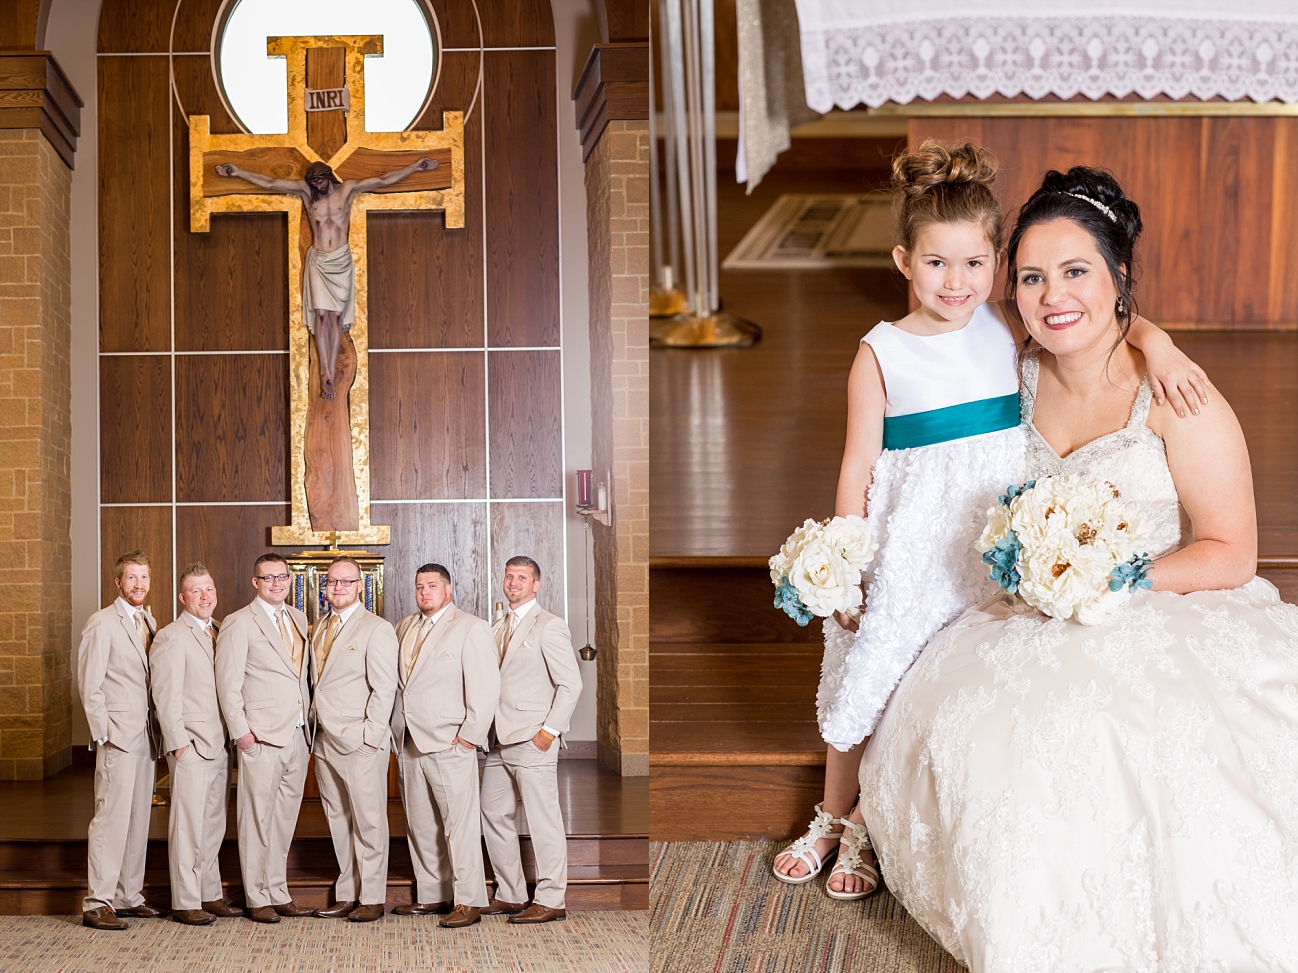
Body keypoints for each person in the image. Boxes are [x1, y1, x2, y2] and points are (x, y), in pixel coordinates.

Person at [859, 167, 1298, 968]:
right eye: (1030, 276)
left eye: (1075, 271)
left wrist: (1116, 581)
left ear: (1119, 277)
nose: (1052, 295)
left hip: (1161, 605)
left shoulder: (1177, 395)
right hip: (1016, 612)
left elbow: (1232, 550)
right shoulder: (1001, 372)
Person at [774, 142, 1210, 898]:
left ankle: (871, 829)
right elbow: (856, 464)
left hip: (983, 538)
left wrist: (1161, 342)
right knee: (867, 666)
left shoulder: (1006, 327)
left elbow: (1109, 321)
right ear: (904, 260)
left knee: (939, 680)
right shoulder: (880, 353)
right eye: (938, 264)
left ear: (994, 263)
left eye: (976, 264)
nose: (958, 282)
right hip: (909, 539)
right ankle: (832, 813)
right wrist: (847, 559)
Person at [213, 157, 437, 398]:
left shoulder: (348, 189)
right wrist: (237, 172)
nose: (317, 185)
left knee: (337, 317)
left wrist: (415, 166)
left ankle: (330, 364)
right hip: (319, 260)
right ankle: (325, 372)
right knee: (321, 315)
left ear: (329, 176)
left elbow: (383, 180)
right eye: (313, 181)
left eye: (320, 180)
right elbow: (270, 183)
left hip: (340, 260)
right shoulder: (307, 193)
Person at [390, 563, 500, 927]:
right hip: (408, 740)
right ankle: (433, 894)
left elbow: (486, 689)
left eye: (432, 586)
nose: (424, 592)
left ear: (448, 590)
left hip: (450, 741)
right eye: (419, 586)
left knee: (459, 824)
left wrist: (469, 736)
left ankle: (469, 900)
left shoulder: (471, 628)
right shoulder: (405, 626)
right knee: (420, 824)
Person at [480, 557, 582, 923]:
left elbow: (571, 685)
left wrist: (548, 733)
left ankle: (552, 900)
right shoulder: (496, 626)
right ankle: (511, 894)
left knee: (543, 820)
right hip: (497, 740)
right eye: (509, 576)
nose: (513, 582)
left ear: (536, 585)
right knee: (492, 813)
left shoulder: (549, 627)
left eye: (521, 577)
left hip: (532, 738)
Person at [214, 553, 314, 923]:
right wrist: (242, 734)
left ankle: (277, 889)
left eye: (282, 577)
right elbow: (228, 684)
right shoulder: (239, 623)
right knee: (256, 821)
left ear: (290, 580)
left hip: (296, 735)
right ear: (255, 582)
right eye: (268, 578)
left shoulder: (299, 618)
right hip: (259, 738)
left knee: (284, 820)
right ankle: (256, 897)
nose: (276, 583)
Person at [149, 563, 242, 924]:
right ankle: (186, 901)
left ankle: (209, 892)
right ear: (183, 597)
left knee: (213, 824)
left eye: (210, 589)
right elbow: (165, 696)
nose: (205, 597)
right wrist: (178, 744)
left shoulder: (220, 630)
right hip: (190, 744)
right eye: (197, 591)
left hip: (220, 744)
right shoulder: (171, 636)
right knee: (187, 825)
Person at [77, 550, 165, 929]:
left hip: (145, 737)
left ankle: (128, 896)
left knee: (137, 818)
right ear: (118, 582)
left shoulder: (149, 620)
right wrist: (104, 735)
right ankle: (97, 901)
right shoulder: (102, 623)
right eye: (131, 578)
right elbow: (89, 684)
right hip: (118, 737)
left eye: (144, 578)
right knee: (111, 818)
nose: (139, 585)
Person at [309, 556, 399, 923]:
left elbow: (384, 688)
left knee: (369, 821)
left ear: (361, 586)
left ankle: (373, 897)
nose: (338, 588)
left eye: (347, 582)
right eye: (332, 582)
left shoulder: (376, 628)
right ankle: (348, 893)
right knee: (339, 819)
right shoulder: (318, 627)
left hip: (361, 741)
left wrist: (371, 737)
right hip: (324, 740)